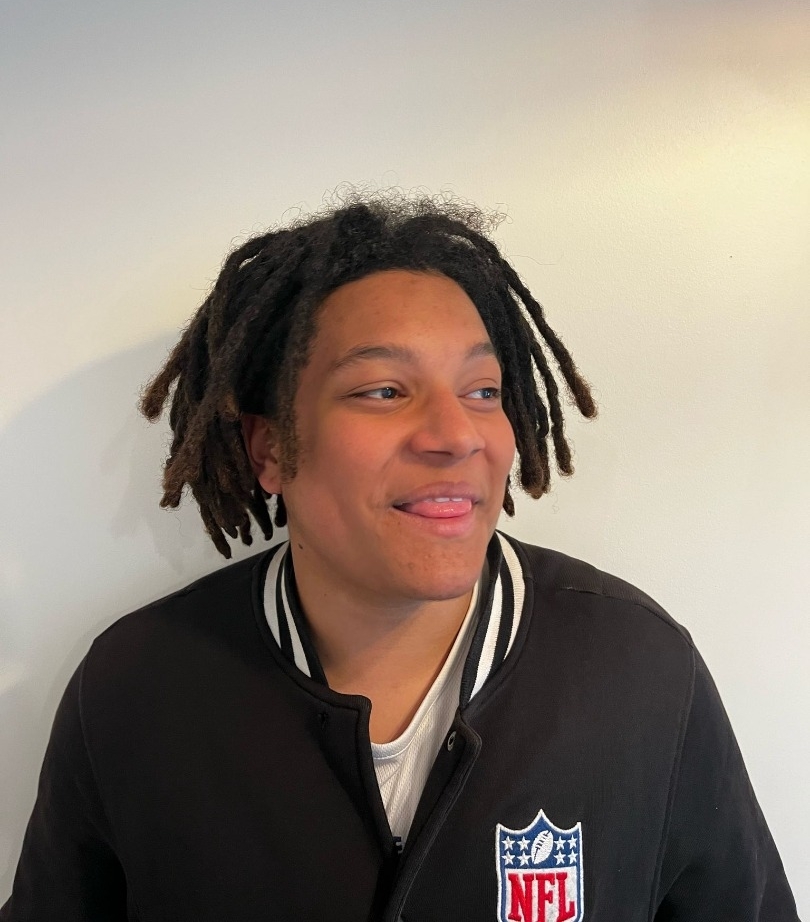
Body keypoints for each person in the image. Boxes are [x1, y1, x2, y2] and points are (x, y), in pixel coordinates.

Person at [1, 190, 798, 921]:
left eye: (483, 391)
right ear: (270, 449)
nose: (455, 434)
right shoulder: (138, 687)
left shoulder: (639, 672)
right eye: (383, 390)